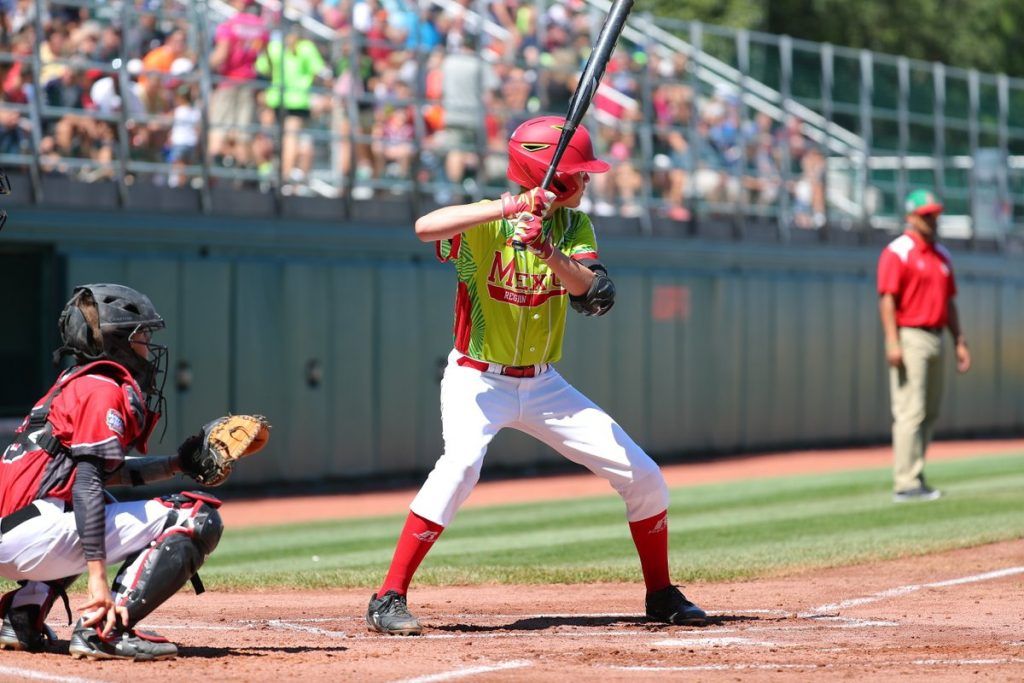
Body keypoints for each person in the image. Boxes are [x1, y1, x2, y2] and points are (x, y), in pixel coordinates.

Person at [365, 116, 707, 636]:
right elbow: (424, 227)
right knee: (460, 467)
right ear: (549, 173)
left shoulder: (575, 225)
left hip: (544, 383)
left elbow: (592, 293)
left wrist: (546, 247)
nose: (586, 180)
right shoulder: (486, 219)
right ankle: (388, 596)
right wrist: (509, 209)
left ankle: (660, 594)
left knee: (644, 476)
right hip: (477, 378)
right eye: (579, 172)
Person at [0, 284, 224, 660]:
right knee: (197, 518)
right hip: (28, 534)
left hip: (20, 528)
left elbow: (99, 475)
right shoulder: (101, 388)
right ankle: (103, 630)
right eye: (142, 335)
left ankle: (21, 615)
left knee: (95, 499)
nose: (148, 346)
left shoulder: (74, 383)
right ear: (116, 340)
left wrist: (176, 466)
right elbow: (87, 483)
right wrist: (97, 579)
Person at [877, 190, 971, 502]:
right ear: (911, 217)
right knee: (910, 411)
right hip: (911, 335)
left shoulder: (941, 254)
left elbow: (950, 303)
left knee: (930, 411)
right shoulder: (898, 251)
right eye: (926, 214)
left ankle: (915, 473)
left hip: (937, 335)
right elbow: (887, 299)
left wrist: (959, 340)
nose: (933, 220)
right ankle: (905, 483)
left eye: (935, 214)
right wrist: (892, 340)